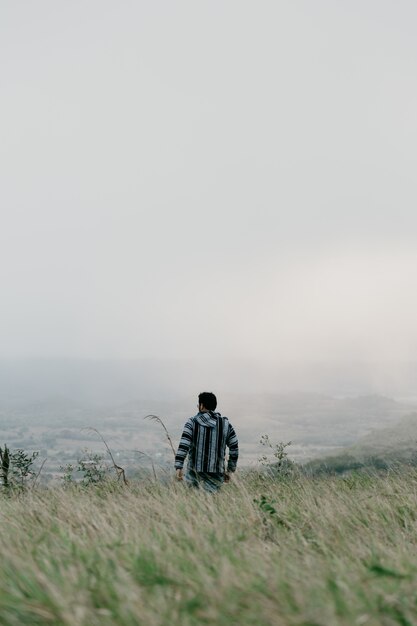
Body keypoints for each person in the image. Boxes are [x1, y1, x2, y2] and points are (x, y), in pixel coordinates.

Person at [175, 391, 239, 492]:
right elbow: (234, 448)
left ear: (201, 406)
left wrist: (179, 466)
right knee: (212, 504)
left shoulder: (191, 422)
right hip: (216, 471)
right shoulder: (225, 424)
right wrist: (230, 470)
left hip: (194, 471)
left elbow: (184, 445)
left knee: (193, 502)